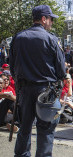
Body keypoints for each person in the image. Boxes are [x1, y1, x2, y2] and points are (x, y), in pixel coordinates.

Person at [9, 5, 66, 156]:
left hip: (25, 89)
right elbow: (61, 70)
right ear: (43, 19)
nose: (52, 22)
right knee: (46, 129)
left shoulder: (18, 37)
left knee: (25, 127)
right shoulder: (51, 39)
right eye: (50, 19)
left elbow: (12, 66)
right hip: (46, 91)